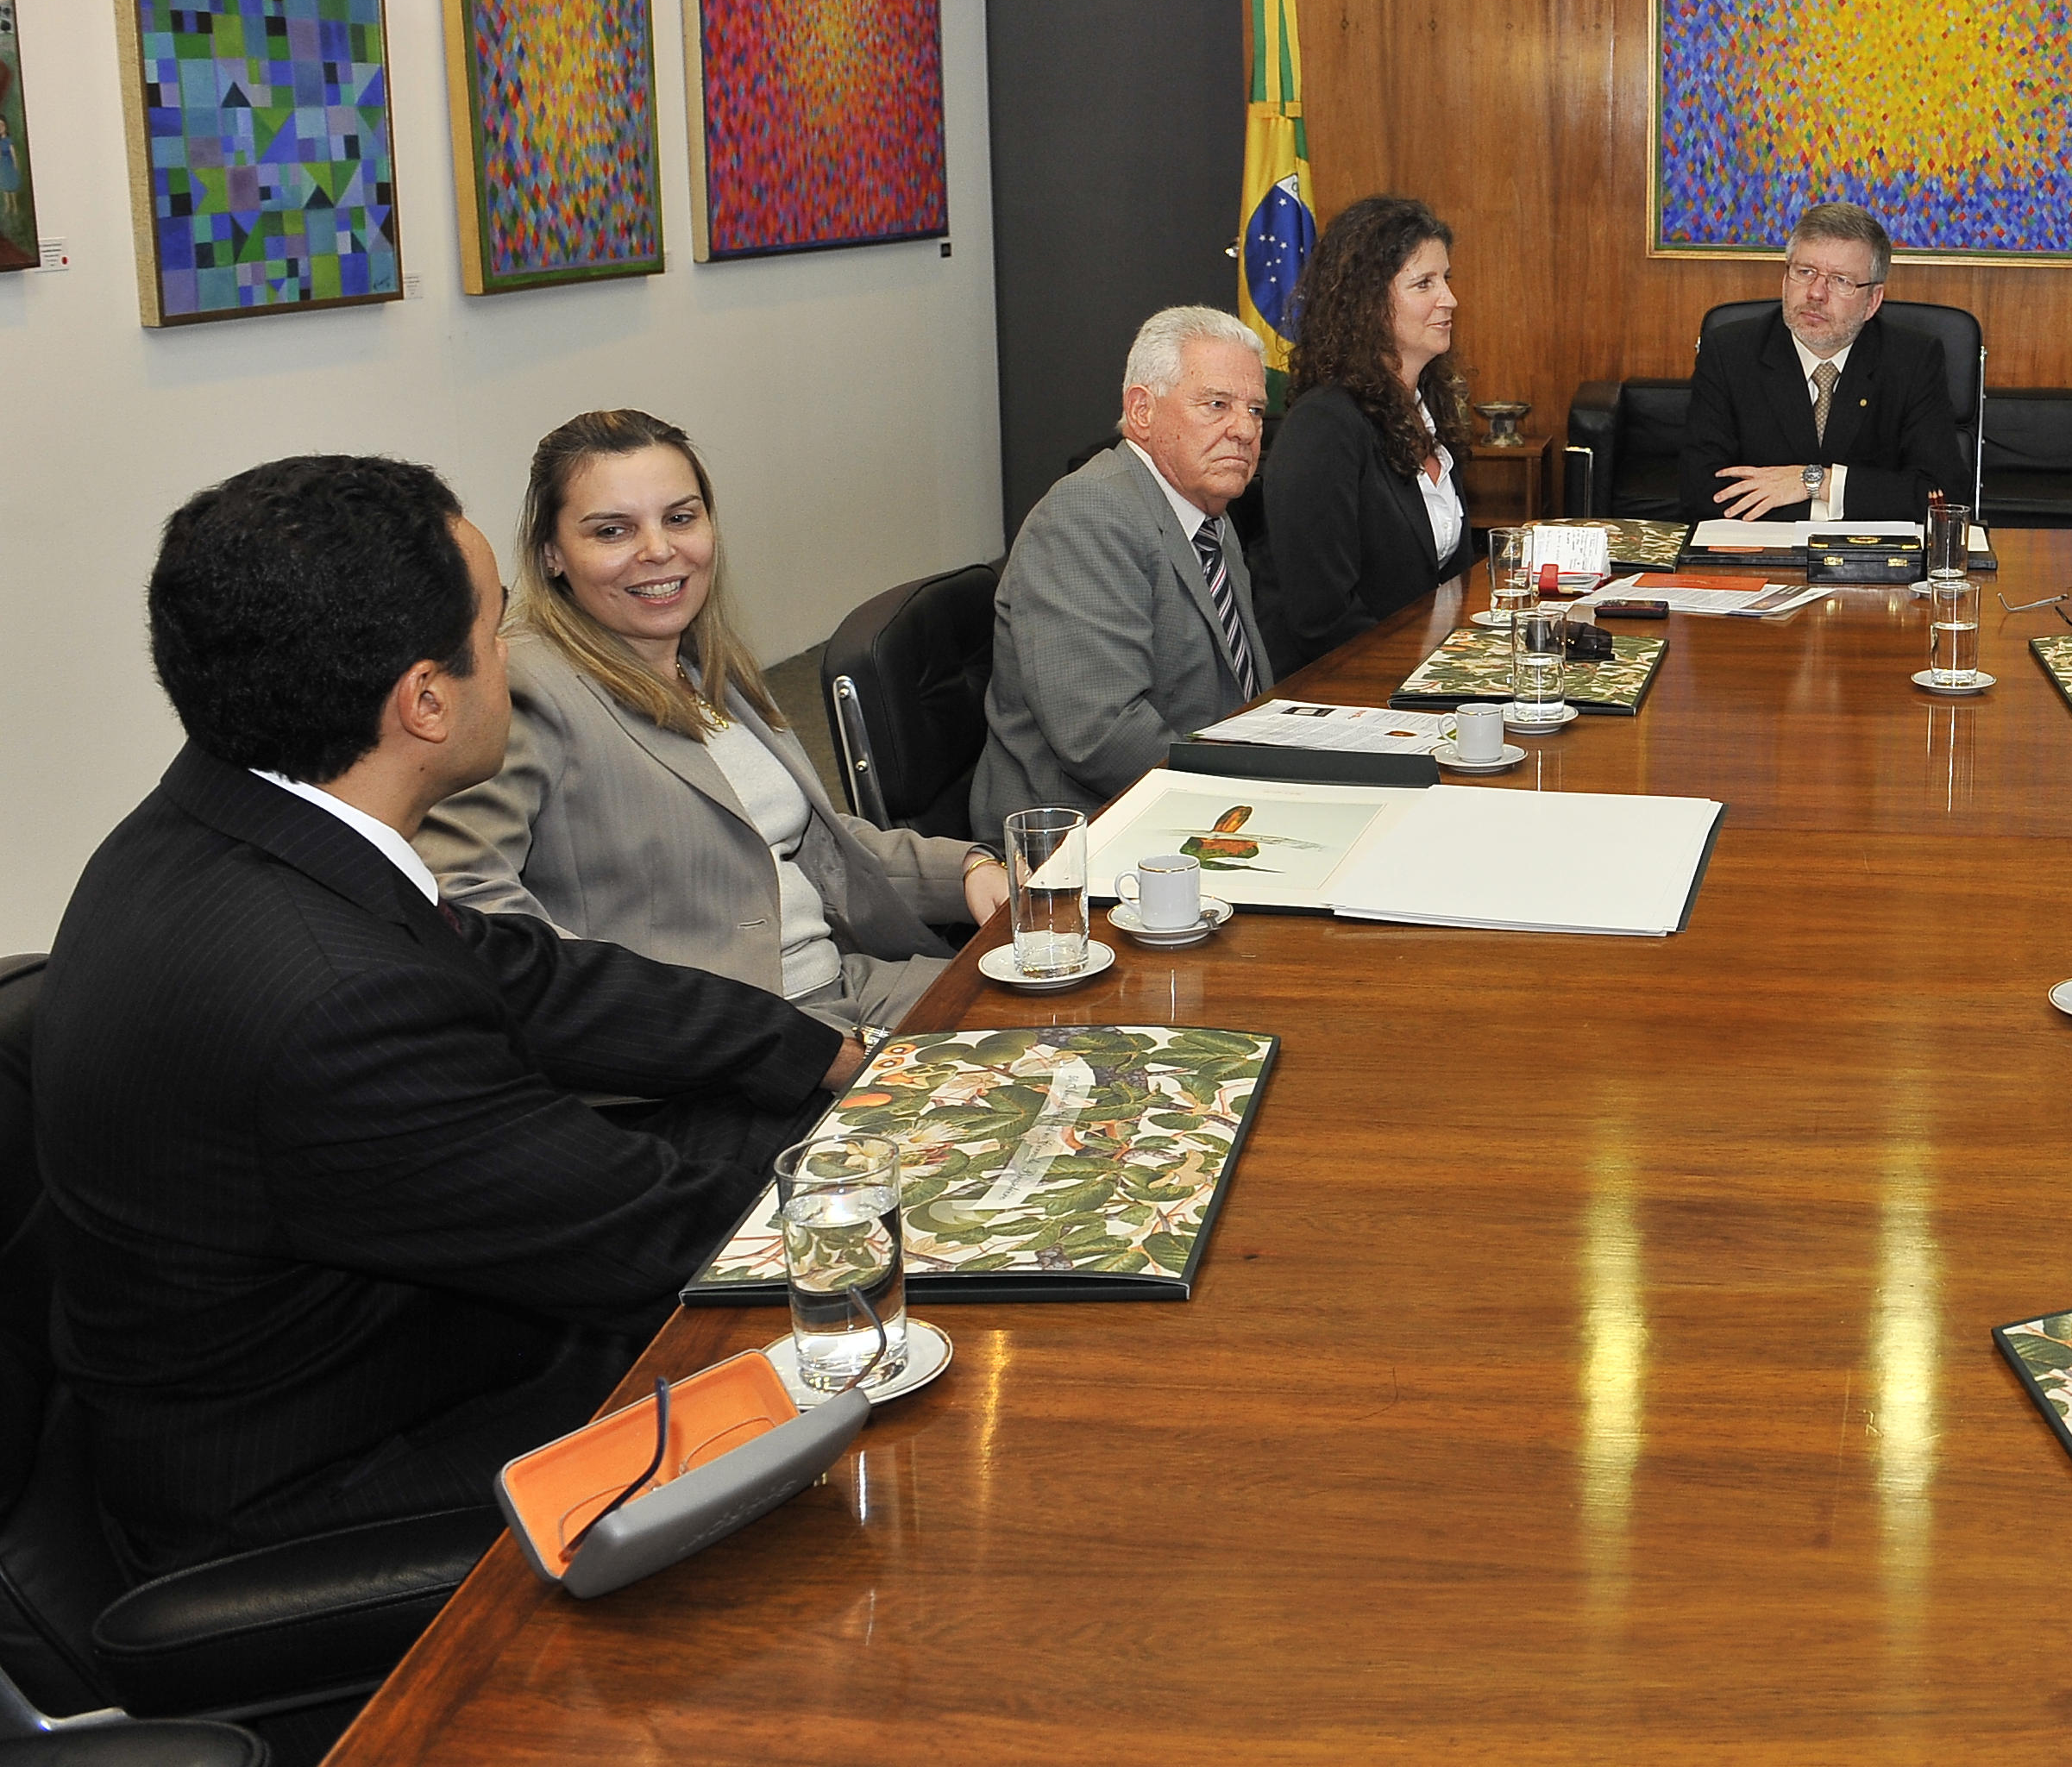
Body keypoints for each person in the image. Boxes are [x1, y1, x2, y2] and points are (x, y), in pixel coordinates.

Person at [31, 457, 855, 1572]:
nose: (512, 657)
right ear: (426, 701)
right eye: (496, 628)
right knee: (852, 1394)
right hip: (319, 1482)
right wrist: (944, 1205)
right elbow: (649, 1236)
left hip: (371, 1342)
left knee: (771, 1137)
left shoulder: (230, 814)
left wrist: (818, 1056)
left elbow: (522, 974)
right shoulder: (333, 999)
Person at [421, 410, 1010, 1043]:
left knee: (1080, 1018)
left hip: (846, 987)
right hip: (721, 1043)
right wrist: (694, 1029)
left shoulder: (703, 663)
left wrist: (970, 870)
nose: (658, 550)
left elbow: (811, 847)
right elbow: (469, 907)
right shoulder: (524, 688)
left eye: (680, 518)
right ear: (552, 554)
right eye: (613, 530)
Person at [976, 306, 1279, 837]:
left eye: (1255, 410)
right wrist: (1251, 791)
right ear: (1142, 410)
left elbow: (1236, 692)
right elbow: (1100, 735)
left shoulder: (1209, 513)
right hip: (1083, 831)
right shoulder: (1087, 514)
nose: (1245, 430)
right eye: (1217, 405)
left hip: (1191, 794)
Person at [1259, 195, 1484, 671]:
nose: (1450, 299)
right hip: (1351, 684)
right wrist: (1430, 679)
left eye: (1446, 279)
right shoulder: (1324, 426)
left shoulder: (1430, 408)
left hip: (1426, 671)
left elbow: (1450, 581)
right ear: (1367, 302)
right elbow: (1323, 619)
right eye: (1424, 283)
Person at [1680, 202, 1962, 523]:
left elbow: (1942, 495)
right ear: (1785, 279)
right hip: (1758, 547)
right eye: (1805, 272)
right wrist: (1843, 502)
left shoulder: (1912, 360)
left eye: (1840, 280)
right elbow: (1702, 491)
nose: (1816, 293)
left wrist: (1816, 483)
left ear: (1873, 301)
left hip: (1868, 551)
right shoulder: (1729, 352)